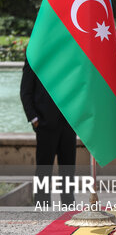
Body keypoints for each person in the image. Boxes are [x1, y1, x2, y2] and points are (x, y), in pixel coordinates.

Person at [20, 58, 76, 206]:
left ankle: (68, 205)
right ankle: (42, 205)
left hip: (68, 123)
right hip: (44, 124)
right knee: (44, 168)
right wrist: (34, 119)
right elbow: (25, 91)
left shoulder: (68, 57)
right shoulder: (34, 57)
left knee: (68, 168)